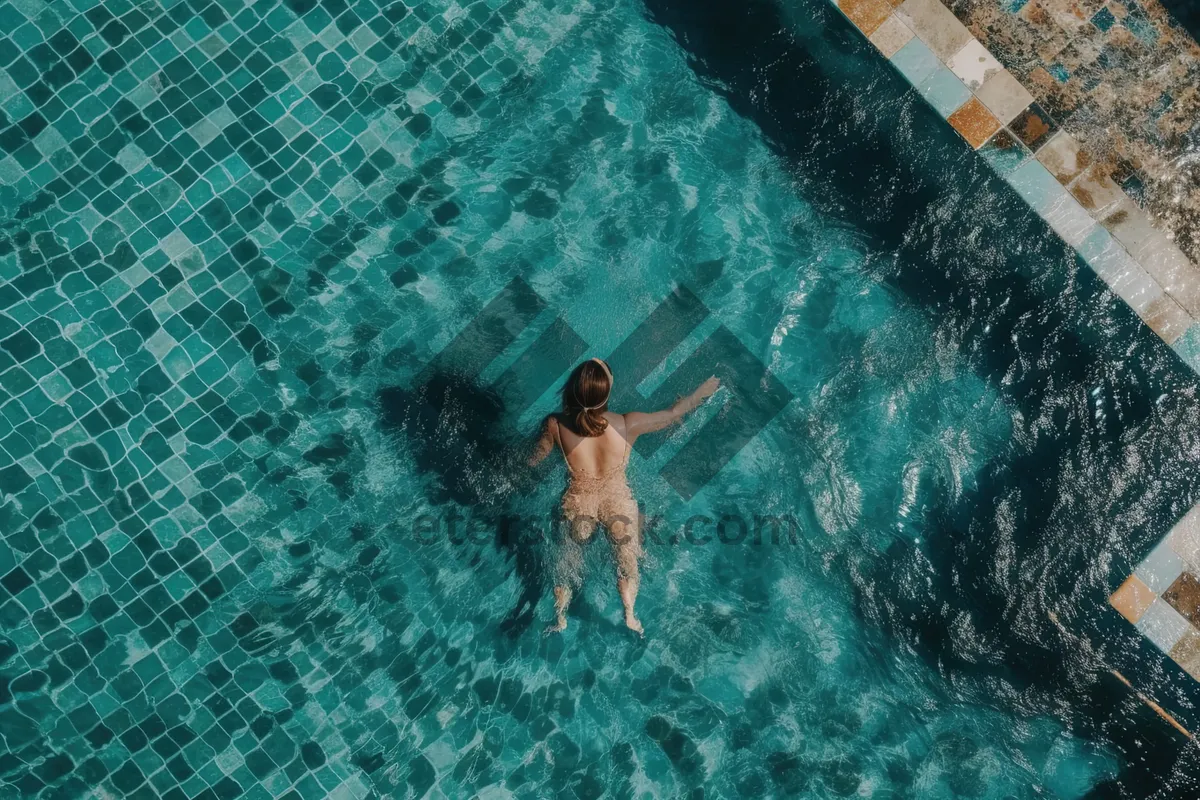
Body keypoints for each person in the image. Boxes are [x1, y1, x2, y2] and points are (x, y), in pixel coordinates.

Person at [529, 357, 720, 635]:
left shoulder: (555, 426)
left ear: (571, 390)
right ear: (606, 394)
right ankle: (630, 614)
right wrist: (702, 391)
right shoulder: (628, 424)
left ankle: (560, 617)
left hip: (580, 498)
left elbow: (534, 460)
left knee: (567, 561)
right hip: (617, 497)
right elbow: (674, 413)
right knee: (627, 560)